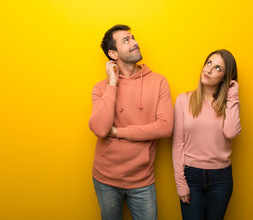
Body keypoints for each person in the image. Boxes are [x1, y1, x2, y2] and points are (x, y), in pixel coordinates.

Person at [89, 24, 174, 220]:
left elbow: (165, 127)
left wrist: (119, 132)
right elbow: (101, 129)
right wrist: (112, 84)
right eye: (126, 40)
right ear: (113, 53)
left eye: (133, 38)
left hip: (142, 181)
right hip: (105, 180)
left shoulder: (159, 82)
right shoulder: (100, 88)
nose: (135, 43)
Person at [172, 49, 241, 220]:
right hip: (191, 177)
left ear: (226, 78)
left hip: (221, 179)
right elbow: (177, 145)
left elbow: (231, 132)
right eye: (209, 63)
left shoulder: (229, 103)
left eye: (218, 68)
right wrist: (181, 184)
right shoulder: (183, 100)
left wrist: (232, 94)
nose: (209, 70)